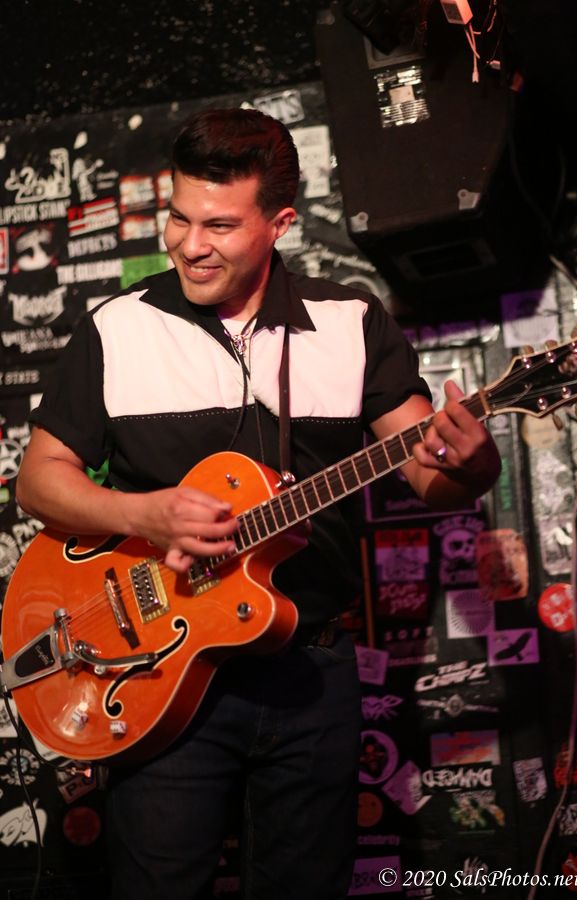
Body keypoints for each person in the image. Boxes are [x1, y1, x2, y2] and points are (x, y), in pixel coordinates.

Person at [16, 108, 501, 900]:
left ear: (279, 224)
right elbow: (37, 481)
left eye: (219, 225)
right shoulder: (116, 328)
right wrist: (144, 514)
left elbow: (430, 473)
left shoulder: (350, 323)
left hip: (310, 670)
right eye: (178, 217)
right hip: (159, 668)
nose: (189, 244)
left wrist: (472, 464)